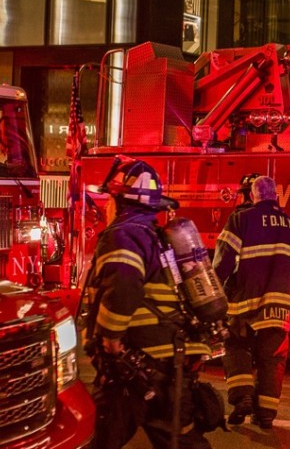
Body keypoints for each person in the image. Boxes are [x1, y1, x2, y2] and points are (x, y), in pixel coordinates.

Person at [82, 156, 214, 449]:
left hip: (140, 359)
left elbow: (123, 287)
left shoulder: (123, 234)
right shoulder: (154, 236)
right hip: (170, 357)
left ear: (119, 201)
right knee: (178, 437)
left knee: (102, 437)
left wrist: (112, 340)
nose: (106, 206)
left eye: (109, 199)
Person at [213, 175, 290, 430]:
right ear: (275, 197)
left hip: (246, 302)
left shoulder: (240, 219)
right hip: (282, 303)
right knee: (273, 357)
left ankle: (242, 395)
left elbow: (223, 261)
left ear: (253, 196)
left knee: (236, 345)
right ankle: (265, 414)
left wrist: (213, 293)